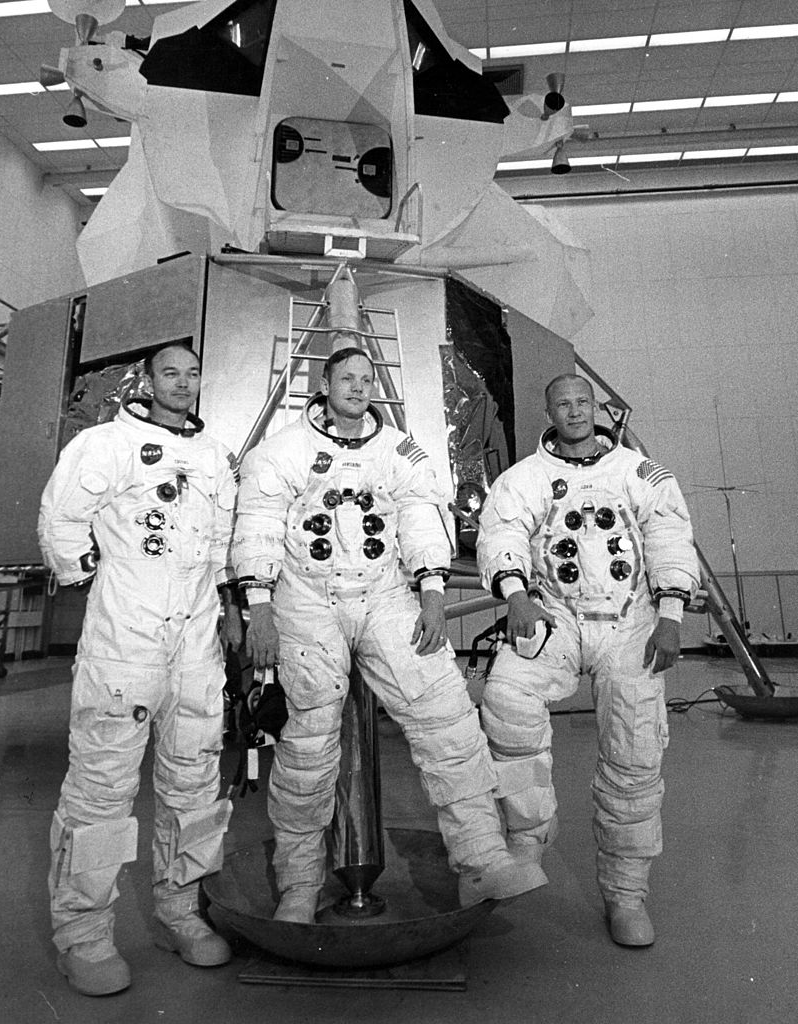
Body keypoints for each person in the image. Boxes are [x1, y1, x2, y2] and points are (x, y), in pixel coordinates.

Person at [233, 347, 546, 923]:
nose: (357, 387)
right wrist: (260, 608)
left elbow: (424, 518)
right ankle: (299, 887)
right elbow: (256, 525)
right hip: (306, 603)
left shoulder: (400, 451)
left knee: (447, 714)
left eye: (366, 379)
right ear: (324, 383)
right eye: (346, 378)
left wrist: (431, 595)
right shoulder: (281, 452)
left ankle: (481, 860)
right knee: (307, 745)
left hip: (383, 598)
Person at [39, 342, 243, 996]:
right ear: (147, 380)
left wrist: (229, 604)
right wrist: (87, 576)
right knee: (103, 785)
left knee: (193, 779)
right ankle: (83, 934)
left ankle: (179, 911)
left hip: (196, 632)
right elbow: (62, 519)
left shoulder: (214, 456)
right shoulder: (106, 444)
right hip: (126, 634)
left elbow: (222, 542)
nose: (181, 384)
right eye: (169, 373)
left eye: (190, 373)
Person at [476, 373, 699, 947]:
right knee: (506, 695)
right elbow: (502, 532)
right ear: (549, 412)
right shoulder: (523, 479)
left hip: (632, 624)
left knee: (633, 753)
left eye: (582, 402)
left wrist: (672, 614)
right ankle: (529, 832)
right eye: (563, 404)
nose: (574, 411)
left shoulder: (640, 473)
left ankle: (626, 896)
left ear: (595, 408)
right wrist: (516, 596)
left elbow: (670, 538)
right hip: (557, 614)